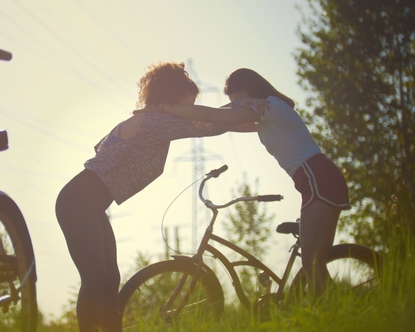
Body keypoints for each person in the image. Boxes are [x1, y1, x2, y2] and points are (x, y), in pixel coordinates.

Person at [55, 62, 264, 331]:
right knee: (96, 278)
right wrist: (249, 105)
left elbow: (210, 121)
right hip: (79, 202)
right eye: (187, 106)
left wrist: (262, 122)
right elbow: (211, 124)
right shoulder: (158, 123)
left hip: (87, 203)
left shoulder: (145, 119)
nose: (189, 113)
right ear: (172, 102)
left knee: (109, 279)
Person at [138, 68, 350, 295]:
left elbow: (213, 116)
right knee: (315, 261)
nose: (237, 104)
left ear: (249, 90)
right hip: (317, 179)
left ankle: (331, 309)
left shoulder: (269, 107)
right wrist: (237, 104)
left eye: (238, 99)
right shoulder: (265, 112)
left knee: (312, 263)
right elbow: (220, 122)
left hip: (317, 178)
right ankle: (342, 304)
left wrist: (163, 108)